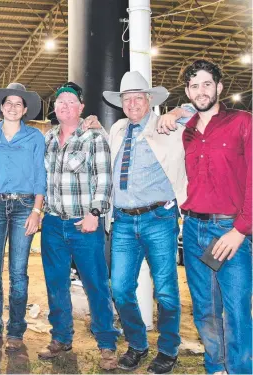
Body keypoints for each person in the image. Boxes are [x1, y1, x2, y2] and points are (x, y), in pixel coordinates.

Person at [159, 59, 252, 374]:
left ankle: (240, 369)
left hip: (229, 231)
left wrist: (240, 230)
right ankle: (216, 367)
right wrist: (173, 112)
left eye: (207, 84)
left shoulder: (242, 122)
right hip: (195, 229)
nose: (201, 91)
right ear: (187, 91)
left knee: (237, 310)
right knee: (205, 310)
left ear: (219, 87)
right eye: (195, 85)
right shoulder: (185, 131)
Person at [102, 71, 186, 374]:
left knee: (165, 289)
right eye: (127, 99)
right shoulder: (118, 128)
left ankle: (168, 349)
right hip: (123, 220)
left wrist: (178, 110)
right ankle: (137, 344)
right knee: (121, 288)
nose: (133, 103)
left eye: (138, 97)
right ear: (122, 103)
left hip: (158, 218)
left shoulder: (167, 125)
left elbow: (199, 113)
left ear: (149, 100)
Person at [37, 82, 119, 370]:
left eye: (71, 102)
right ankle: (61, 336)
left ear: (81, 108)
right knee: (55, 284)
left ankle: (107, 342)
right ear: (55, 108)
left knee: (95, 284)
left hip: (83, 222)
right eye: (60, 102)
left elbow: (104, 179)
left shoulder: (94, 137)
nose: (65, 106)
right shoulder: (47, 139)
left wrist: (95, 214)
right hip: (53, 223)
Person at [0, 82, 45, 351]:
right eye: (8, 103)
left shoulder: (35, 138)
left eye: (18, 104)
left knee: (18, 272)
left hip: (25, 206)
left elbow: (40, 175)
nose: (13, 108)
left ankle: (16, 330)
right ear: (1, 107)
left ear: (25, 110)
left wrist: (37, 210)